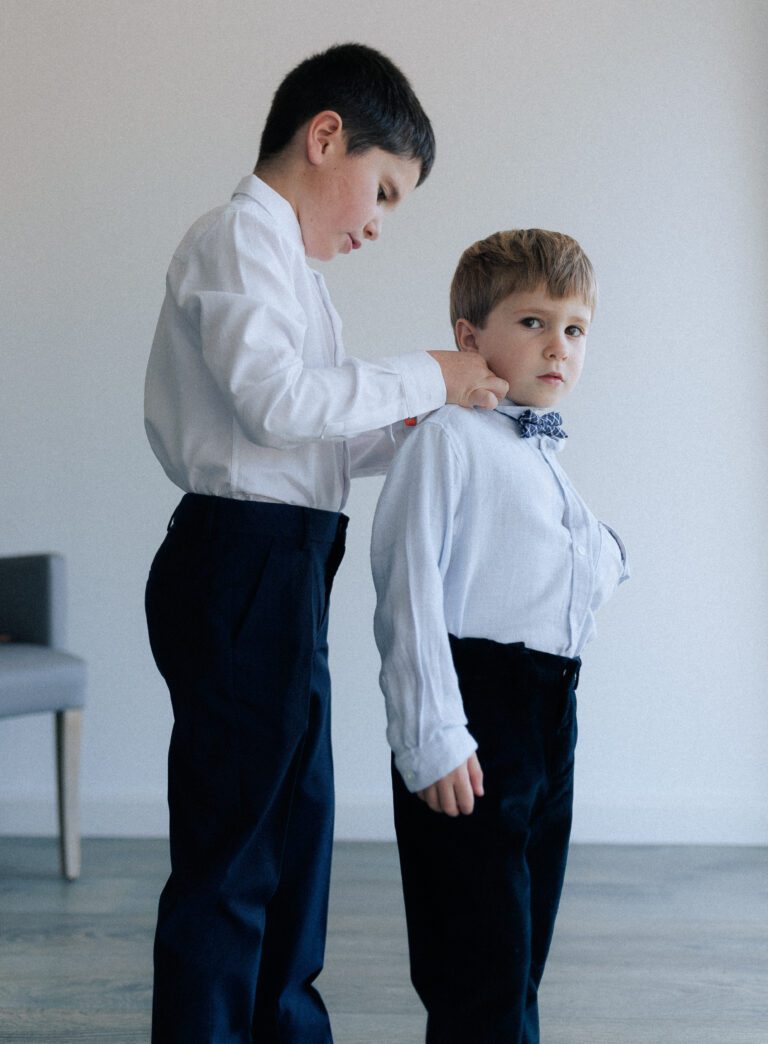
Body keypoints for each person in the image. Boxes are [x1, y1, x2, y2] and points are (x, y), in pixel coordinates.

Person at [143, 42, 507, 1044]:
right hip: (240, 564)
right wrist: (427, 374)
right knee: (236, 852)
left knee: (297, 836)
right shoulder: (238, 239)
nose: (378, 226)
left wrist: (439, 412)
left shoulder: (291, 271)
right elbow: (276, 405)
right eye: (383, 192)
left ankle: (284, 1031)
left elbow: (320, 440)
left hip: (287, 565)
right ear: (326, 136)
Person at [372, 228, 629, 1043]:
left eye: (576, 328)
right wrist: (433, 734)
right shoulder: (447, 436)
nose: (559, 345)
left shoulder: (540, 449)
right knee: (476, 950)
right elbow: (406, 587)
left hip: (552, 712)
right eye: (534, 322)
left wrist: (610, 552)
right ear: (469, 338)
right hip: (476, 711)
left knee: (523, 945)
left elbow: (573, 557)